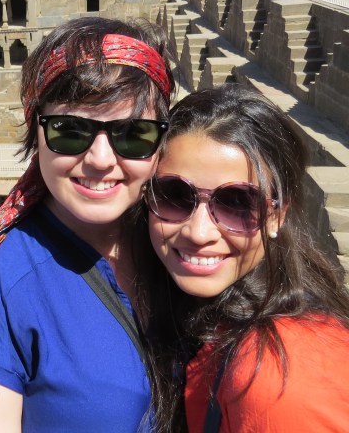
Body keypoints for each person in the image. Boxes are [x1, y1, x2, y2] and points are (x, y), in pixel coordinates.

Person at [0, 17, 175, 433]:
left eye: (132, 134)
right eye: (71, 131)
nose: (101, 159)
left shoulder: (185, 238)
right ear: (37, 133)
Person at [139, 85, 349, 432]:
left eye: (237, 203)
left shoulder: (279, 377)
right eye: (174, 195)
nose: (199, 231)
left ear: (277, 215)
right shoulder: (208, 317)